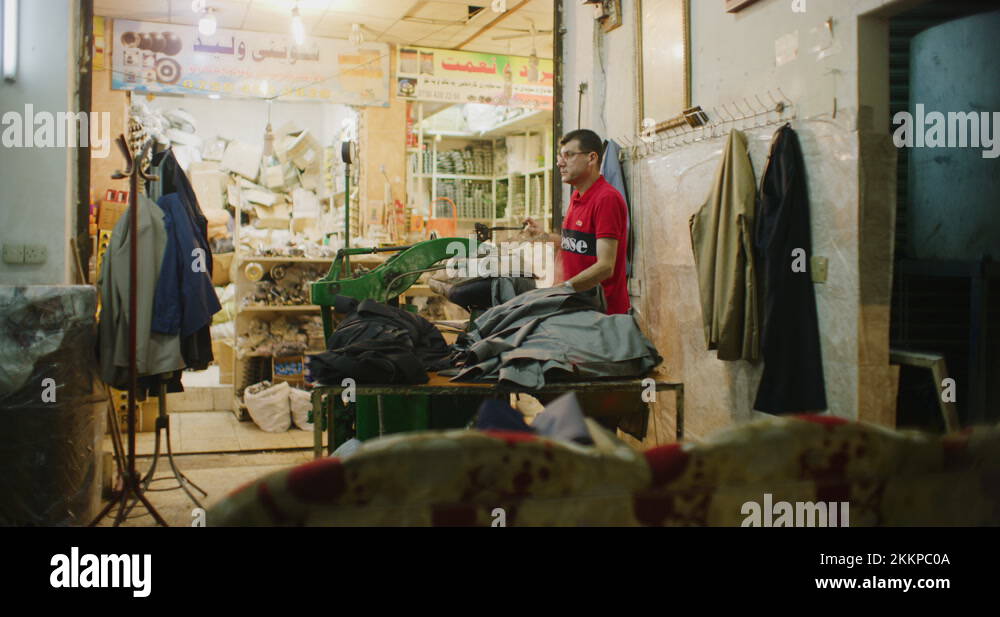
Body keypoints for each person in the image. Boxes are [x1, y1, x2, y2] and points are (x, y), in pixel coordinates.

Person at [524, 129, 630, 314]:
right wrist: (543, 236)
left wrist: (562, 289)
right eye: (560, 156)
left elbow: (605, 266)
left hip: (600, 314)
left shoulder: (606, 199)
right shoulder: (577, 196)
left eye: (568, 155)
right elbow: (575, 245)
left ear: (591, 158)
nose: (560, 163)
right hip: (574, 305)